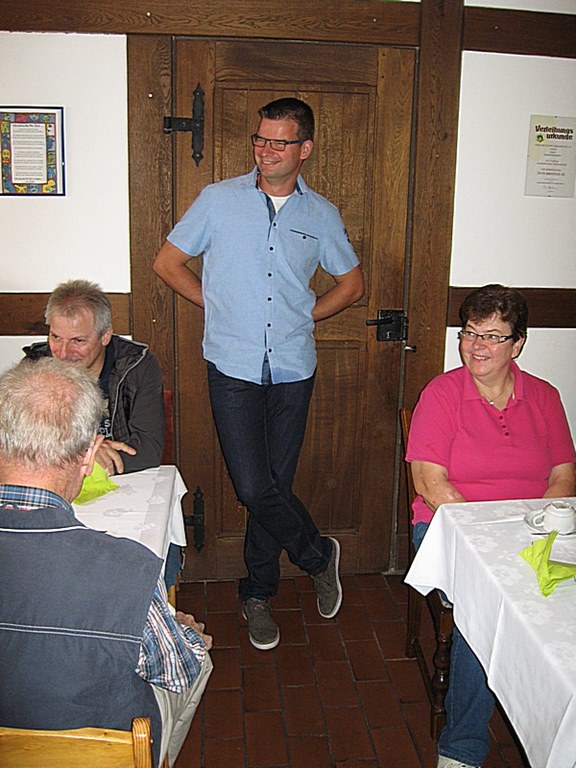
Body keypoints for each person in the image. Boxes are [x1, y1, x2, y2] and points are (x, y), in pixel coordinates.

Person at [153, 97, 364, 650]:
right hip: (233, 364)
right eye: (260, 139)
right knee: (253, 485)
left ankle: (257, 593)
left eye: (279, 142)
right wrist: (217, 304)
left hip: (293, 367)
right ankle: (317, 554)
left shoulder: (321, 215)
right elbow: (167, 263)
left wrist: (307, 313)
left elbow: (351, 285)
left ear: (305, 149)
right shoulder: (217, 200)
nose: (266, 151)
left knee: (274, 486)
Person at [0, 358, 212, 768]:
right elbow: (179, 671)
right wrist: (184, 634)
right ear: (89, 456)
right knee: (196, 658)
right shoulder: (127, 568)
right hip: (97, 748)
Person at [406, 284, 575, 768]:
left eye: (493, 336)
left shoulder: (544, 396)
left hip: (532, 525)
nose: (476, 346)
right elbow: (430, 484)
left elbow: (564, 475)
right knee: (483, 611)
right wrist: (491, 541)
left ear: (518, 344)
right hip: (450, 529)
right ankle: (461, 747)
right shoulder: (442, 394)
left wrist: (535, 528)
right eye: (469, 333)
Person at [23, 279, 165, 476]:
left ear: (105, 336)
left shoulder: (136, 367)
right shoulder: (33, 367)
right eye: (56, 337)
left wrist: (99, 459)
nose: (63, 353)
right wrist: (86, 455)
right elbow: (15, 443)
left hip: (120, 483)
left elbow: (149, 449)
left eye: (78, 341)